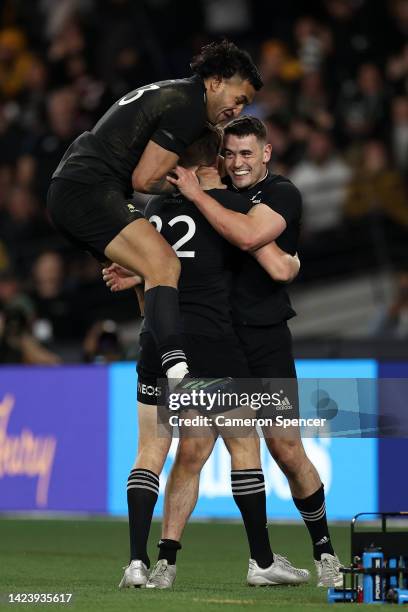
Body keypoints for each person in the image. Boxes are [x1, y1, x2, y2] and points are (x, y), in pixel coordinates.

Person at [103, 127, 307, 589]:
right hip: (211, 341)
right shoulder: (228, 208)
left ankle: (138, 563)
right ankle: (261, 561)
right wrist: (292, 264)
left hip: (157, 335)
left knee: (151, 450)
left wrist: (133, 275)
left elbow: (159, 267)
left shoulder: (153, 212)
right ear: (213, 160)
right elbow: (268, 256)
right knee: (243, 445)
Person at [165, 115, 343, 588]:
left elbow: (251, 243)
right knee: (195, 449)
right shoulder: (215, 193)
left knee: (285, 448)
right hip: (215, 338)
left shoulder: (281, 192)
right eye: (231, 153)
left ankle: (324, 551)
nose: (238, 163)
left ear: (266, 153)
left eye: (248, 153)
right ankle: (173, 562)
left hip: (264, 338)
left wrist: (203, 199)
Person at [47, 40, 262, 389]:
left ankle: (155, 366)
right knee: (165, 265)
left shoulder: (177, 94)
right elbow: (145, 179)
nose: (238, 110)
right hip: (90, 188)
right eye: (239, 98)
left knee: (147, 273)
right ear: (216, 81)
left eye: (245, 105)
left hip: (73, 187)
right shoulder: (190, 106)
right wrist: (190, 186)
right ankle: (178, 375)